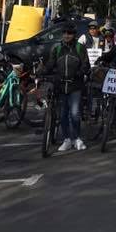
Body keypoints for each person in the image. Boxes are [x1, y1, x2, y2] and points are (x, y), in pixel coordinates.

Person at [46, 22, 90, 152]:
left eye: (69, 33)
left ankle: (77, 138)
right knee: (63, 115)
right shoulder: (57, 48)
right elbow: (51, 63)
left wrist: (79, 73)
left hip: (75, 85)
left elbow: (86, 65)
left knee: (75, 114)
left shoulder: (79, 48)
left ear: (74, 35)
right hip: (61, 86)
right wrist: (42, 71)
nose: (66, 35)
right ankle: (67, 139)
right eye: (64, 33)